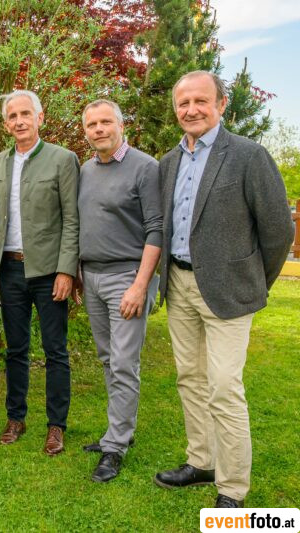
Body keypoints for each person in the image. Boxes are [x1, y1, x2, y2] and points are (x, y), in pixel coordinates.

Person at [154, 71, 293, 508]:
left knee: (224, 387)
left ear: (221, 104)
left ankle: (232, 488)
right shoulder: (168, 162)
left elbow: (278, 231)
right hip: (179, 284)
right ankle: (202, 461)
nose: (191, 109)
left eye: (200, 100)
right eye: (183, 103)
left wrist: (254, 280)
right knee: (190, 379)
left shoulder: (249, 156)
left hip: (229, 291)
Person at [0, 89, 80, 455]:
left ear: (40, 118)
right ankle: (16, 417)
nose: (19, 121)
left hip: (49, 271)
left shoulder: (62, 159)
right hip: (9, 269)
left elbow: (72, 219)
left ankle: (56, 425)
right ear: (5, 123)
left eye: (26, 114)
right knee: (16, 349)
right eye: (12, 116)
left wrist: (66, 270)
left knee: (55, 350)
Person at [76, 99, 162, 482]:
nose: (99, 129)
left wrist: (140, 285)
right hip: (92, 277)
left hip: (127, 277)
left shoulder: (145, 168)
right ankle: (119, 430)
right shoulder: (86, 170)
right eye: (91, 124)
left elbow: (157, 229)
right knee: (108, 359)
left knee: (125, 362)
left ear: (121, 125)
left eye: (105, 122)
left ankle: (115, 447)